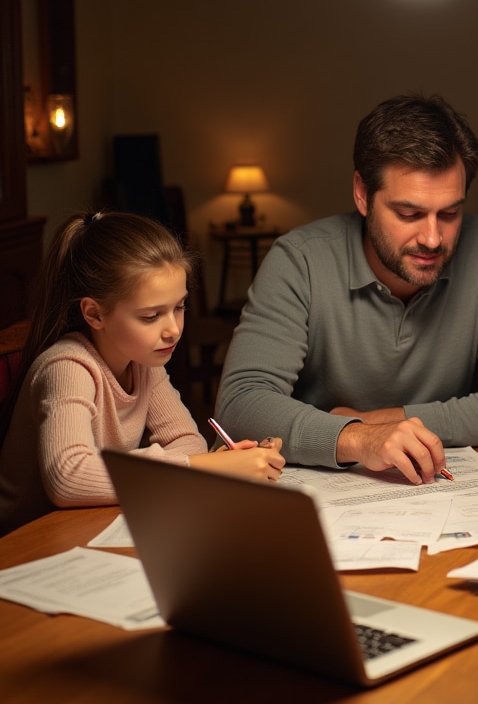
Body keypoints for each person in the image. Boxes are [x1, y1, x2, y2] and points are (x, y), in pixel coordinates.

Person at [216, 93, 478, 485]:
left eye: (450, 213)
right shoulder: (299, 259)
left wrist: (380, 421)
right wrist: (356, 438)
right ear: (362, 194)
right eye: (408, 214)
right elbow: (240, 405)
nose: (431, 238)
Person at [0, 211, 285, 537]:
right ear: (95, 313)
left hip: (88, 528)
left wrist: (197, 464)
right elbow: (69, 477)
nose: (173, 330)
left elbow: (188, 443)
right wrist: (207, 467)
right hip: (23, 543)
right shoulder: (67, 367)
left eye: (179, 307)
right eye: (151, 316)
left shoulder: (145, 363)